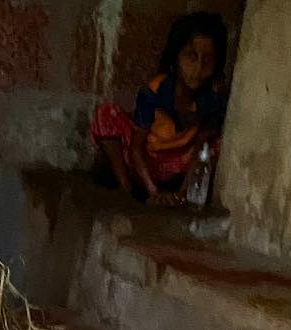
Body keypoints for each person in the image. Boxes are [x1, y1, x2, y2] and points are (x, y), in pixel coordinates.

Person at [90, 11, 229, 206]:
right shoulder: (156, 91)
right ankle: (126, 189)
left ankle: (181, 196)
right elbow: (136, 149)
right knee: (106, 114)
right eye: (191, 56)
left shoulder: (212, 101)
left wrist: (180, 196)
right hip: (145, 161)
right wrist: (153, 193)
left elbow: (200, 150)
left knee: (216, 145)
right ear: (176, 57)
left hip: (179, 166)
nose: (198, 68)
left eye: (207, 60)